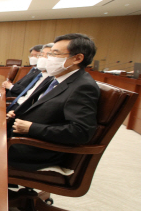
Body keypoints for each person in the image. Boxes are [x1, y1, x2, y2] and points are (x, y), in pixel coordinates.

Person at [7, 34, 100, 171]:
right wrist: (16, 114)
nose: (48, 58)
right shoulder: (56, 78)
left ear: (77, 58)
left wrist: (31, 127)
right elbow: (40, 106)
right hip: (20, 137)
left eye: (54, 54)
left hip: (37, 149)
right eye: (49, 54)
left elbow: (81, 132)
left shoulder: (83, 87)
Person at [6, 43, 53, 112]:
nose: (42, 58)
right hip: (16, 105)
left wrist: (11, 87)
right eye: (42, 55)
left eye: (48, 55)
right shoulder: (37, 72)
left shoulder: (49, 77)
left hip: (22, 110)